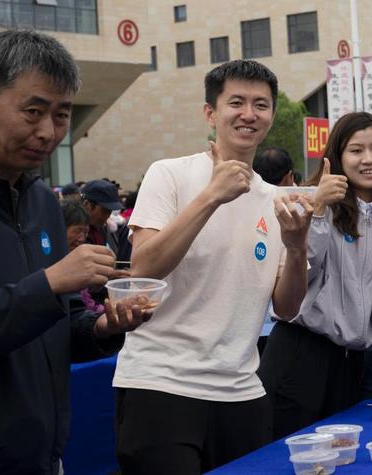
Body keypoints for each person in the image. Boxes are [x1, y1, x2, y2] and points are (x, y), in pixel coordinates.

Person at [0, 29, 148, 475]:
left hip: (43, 456)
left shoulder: (41, 202)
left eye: (62, 114)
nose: (48, 131)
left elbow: (55, 327)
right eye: (33, 111)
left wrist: (104, 327)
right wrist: (50, 283)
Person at [112, 59, 313, 474]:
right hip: (161, 383)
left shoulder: (276, 199)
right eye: (235, 102)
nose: (248, 114)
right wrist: (211, 197)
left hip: (242, 389)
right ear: (211, 113)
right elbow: (143, 268)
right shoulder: (169, 174)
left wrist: (295, 249)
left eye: (261, 105)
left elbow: (288, 308)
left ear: (271, 116)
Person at [259, 112, 372, 437]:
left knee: (338, 457)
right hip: (300, 352)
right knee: (286, 455)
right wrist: (318, 211)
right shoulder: (308, 202)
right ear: (336, 156)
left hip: (351, 362)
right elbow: (301, 276)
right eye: (356, 150)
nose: (368, 159)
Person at [81, 179, 124, 250]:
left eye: (110, 212)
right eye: (104, 211)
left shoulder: (104, 229)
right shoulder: (72, 234)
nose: (107, 217)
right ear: (87, 205)